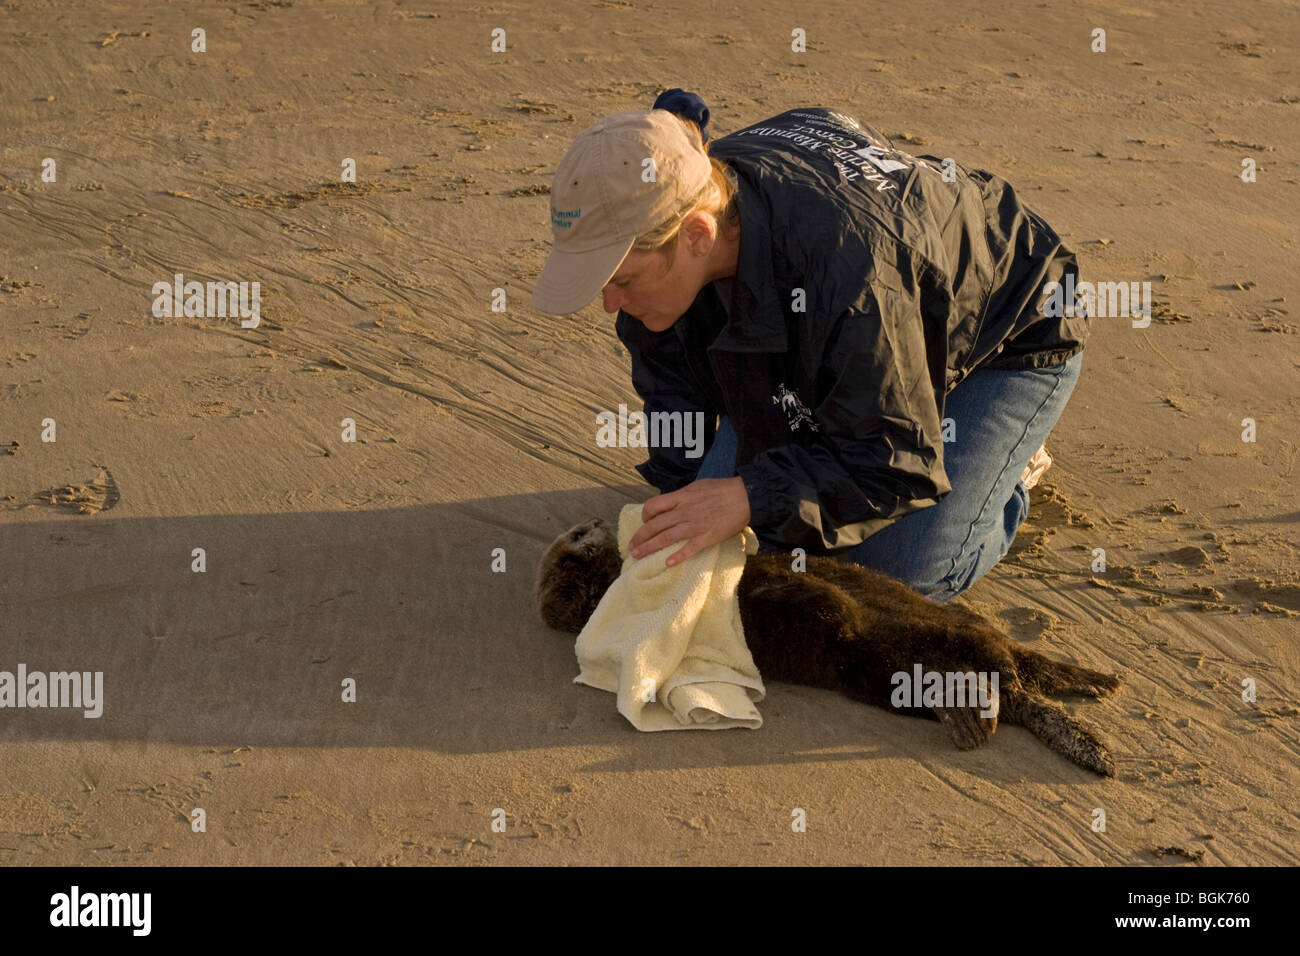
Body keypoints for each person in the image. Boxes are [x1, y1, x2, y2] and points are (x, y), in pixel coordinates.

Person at [530, 89, 1089, 603]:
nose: (608, 302)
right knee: (748, 542)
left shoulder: (853, 275)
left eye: (621, 279)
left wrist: (748, 496)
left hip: (1012, 331)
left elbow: (896, 463)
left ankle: (1005, 479)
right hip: (865, 336)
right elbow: (678, 405)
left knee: (898, 572)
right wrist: (689, 503)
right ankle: (862, 410)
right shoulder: (663, 260)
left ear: (698, 235)